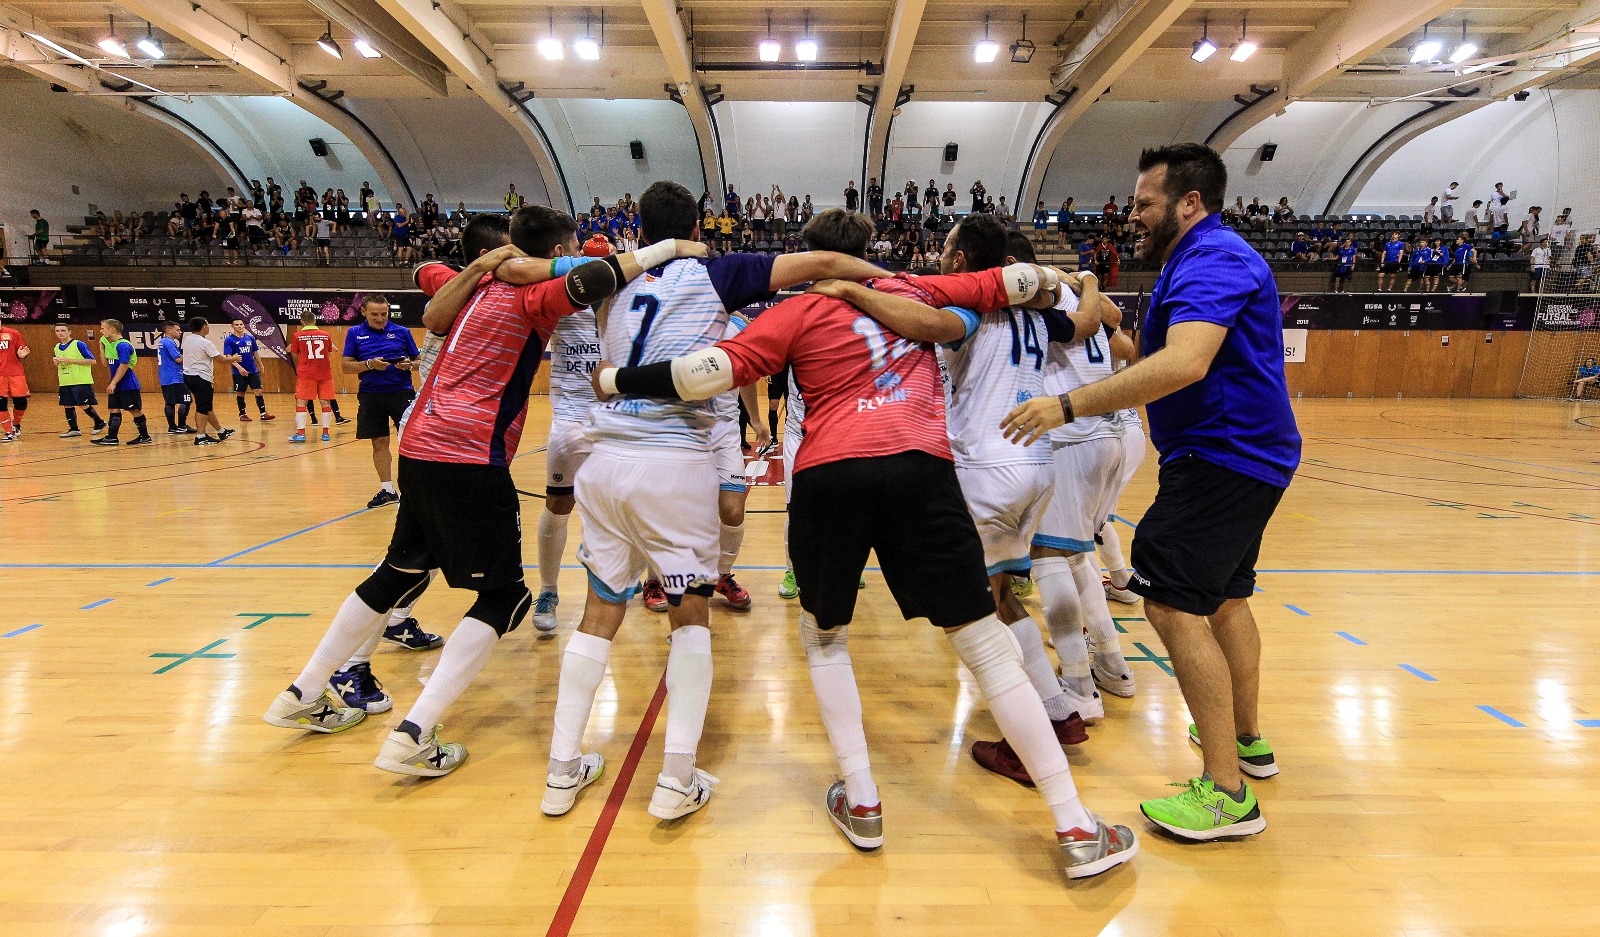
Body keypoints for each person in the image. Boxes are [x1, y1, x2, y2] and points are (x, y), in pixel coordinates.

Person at [592, 207, 1137, 878]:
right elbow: (1024, 281)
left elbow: (700, 376)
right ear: (865, 252)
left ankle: (864, 799)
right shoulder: (917, 288)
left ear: (807, 256)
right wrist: (1063, 275)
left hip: (829, 477)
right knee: (984, 643)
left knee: (824, 638)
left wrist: (618, 379)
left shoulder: (790, 314)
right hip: (922, 470)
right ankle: (1076, 823)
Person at [263, 207, 695, 778]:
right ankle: (413, 735)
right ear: (557, 249)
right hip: (469, 451)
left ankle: (301, 692)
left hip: (419, 441)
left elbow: (426, 275)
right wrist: (670, 248)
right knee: (504, 599)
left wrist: (488, 263)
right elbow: (599, 277)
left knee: (400, 570)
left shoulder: (475, 280)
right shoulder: (533, 295)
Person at [530, 181, 885, 823]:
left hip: (603, 461)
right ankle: (676, 779)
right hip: (673, 459)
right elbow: (827, 263)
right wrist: (899, 282)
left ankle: (561, 772)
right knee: (691, 616)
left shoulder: (609, 276)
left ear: (639, 223)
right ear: (702, 226)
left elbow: (529, 271)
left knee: (599, 614)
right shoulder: (720, 274)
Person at [1001, 142, 1301, 841]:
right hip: (1242, 452)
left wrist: (1068, 403)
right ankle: (1248, 740)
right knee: (1225, 596)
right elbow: (1159, 353)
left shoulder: (1214, 258)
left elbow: (1188, 362)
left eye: (1144, 203)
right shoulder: (1194, 262)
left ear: (1189, 202)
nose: (1130, 215)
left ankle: (1226, 796)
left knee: (1168, 598)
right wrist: (1107, 323)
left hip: (1223, 453)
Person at [343, 296, 419, 508]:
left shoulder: (402, 332)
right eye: (375, 314)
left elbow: (419, 361)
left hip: (401, 393)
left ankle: (413, 490)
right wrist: (369, 364)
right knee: (379, 443)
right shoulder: (354, 333)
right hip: (371, 394)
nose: (380, 318)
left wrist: (409, 365)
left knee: (409, 442)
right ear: (364, 312)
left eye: (384, 314)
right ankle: (388, 490)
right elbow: (346, 366)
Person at [88, 319, 150, 447]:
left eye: (102, 328)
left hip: (127, 384)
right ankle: (112, 437)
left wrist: (113, 383)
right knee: (113, 409)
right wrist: (101, 347)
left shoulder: (123, 345)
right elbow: (106, 363)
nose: (101, 331)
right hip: (116, 384)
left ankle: (145, 436)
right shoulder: (112, 345)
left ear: (112, 329)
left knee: (135, 410)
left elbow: (124, 365)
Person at [180, 318, 236, 446]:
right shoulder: (205, 343)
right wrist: (234, 358)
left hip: (188, 376)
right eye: (208, 325)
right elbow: (220, 359)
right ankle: (200, 436)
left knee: (206, 406)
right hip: (201, 377)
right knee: (202, 407)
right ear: (204, 326)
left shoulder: (188, 339)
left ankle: (221, 431)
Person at [288, 311, 337, 443]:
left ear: (302, 322)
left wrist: (304, 363)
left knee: (301, 402)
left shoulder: (297, 336)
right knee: (325, 402)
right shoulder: (326, 335)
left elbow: (294, 354)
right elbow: (329, 352)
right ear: (315, 321)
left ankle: (301, 434)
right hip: (324, 373)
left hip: (306, 373)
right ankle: (325, 434)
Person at [51, 324, 105, 439]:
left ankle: (99, 422)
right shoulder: (57, 347)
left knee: (83, 404)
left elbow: (92, 361)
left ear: (70, 331)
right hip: (65, 381)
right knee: (67, 405)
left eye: (63, 330)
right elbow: (58, 364)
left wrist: (69, 360)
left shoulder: (78, 344)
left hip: (80, 380)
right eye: (58, 331)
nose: (60, 333)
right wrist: (56, 362)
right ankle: (74, 429)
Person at [223, 320, 274, 422]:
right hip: (238, 372)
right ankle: (242, 414)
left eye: (241, 324)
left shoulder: (250, 338)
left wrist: (261, 365)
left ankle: (263, 413)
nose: (239, 326)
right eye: (237, 325)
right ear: (232, 326)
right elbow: (229, 357)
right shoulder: (229, 340)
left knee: (258, 391)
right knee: (241, 393)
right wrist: (240, 368)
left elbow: (255, 353)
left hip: (252, 370)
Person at [155, 320, 193, 435]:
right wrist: (190, 352)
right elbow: (178, 359)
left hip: (165, 377)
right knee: (187, 399)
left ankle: (172, 427)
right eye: (177, 330)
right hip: (175, 377)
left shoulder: (162, 342)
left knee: (170, 402)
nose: (180, 332)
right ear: (169, 330)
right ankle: (181, 425)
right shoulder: (169, 342)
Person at [0, 322, 30, 442]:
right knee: (1, 403)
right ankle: (8, 431)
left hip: (15, 373)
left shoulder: (13, 333)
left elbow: (21, 351)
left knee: (21, 402)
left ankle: (16, 425)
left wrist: (22, 355)